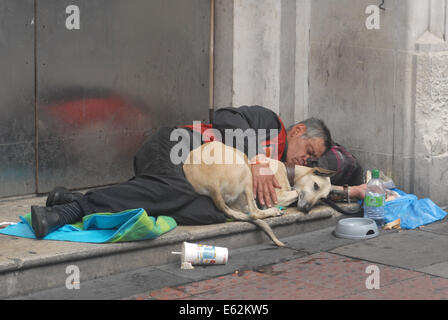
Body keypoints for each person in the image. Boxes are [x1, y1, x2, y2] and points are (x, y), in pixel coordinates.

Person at [30, 105, 366, 238]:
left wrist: (349, 193)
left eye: (310, 161)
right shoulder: (268, 124)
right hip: (177, 147)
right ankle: (70, 211)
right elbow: (225, 117)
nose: (304, 161)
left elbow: (321, 181)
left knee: (213, 212)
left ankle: (71, 199)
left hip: (193, 179)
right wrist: (255, 160)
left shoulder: (281, 170)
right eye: (307, 152)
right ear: (296, 132)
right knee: (175, 191)